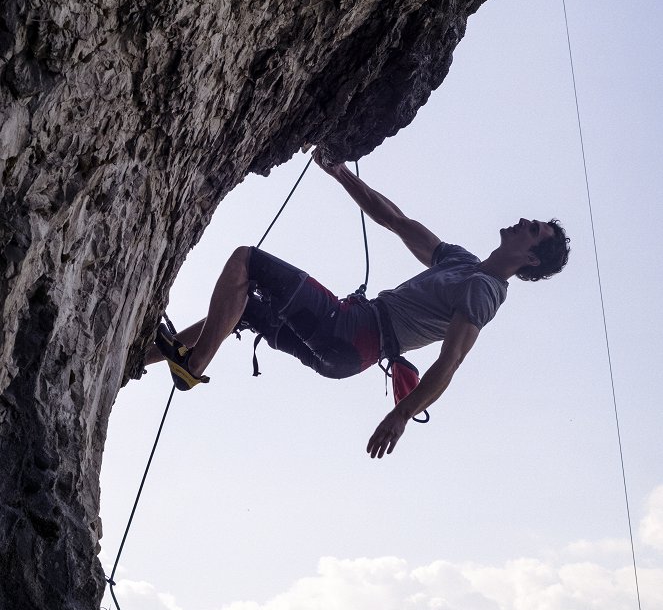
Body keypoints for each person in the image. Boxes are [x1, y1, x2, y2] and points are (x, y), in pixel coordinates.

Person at [146, 150, 570, 459]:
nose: (522, 221)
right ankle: (141, 358)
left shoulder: (486, 290)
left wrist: (402, 415)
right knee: (245, 306)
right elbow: (395, 220)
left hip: (351, 331)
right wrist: (339, 173)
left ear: (530, 258)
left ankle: (193, 364)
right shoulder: (462, 262)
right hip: (344, 354)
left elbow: (451, 360)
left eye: (532, 230)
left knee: (247, 259)